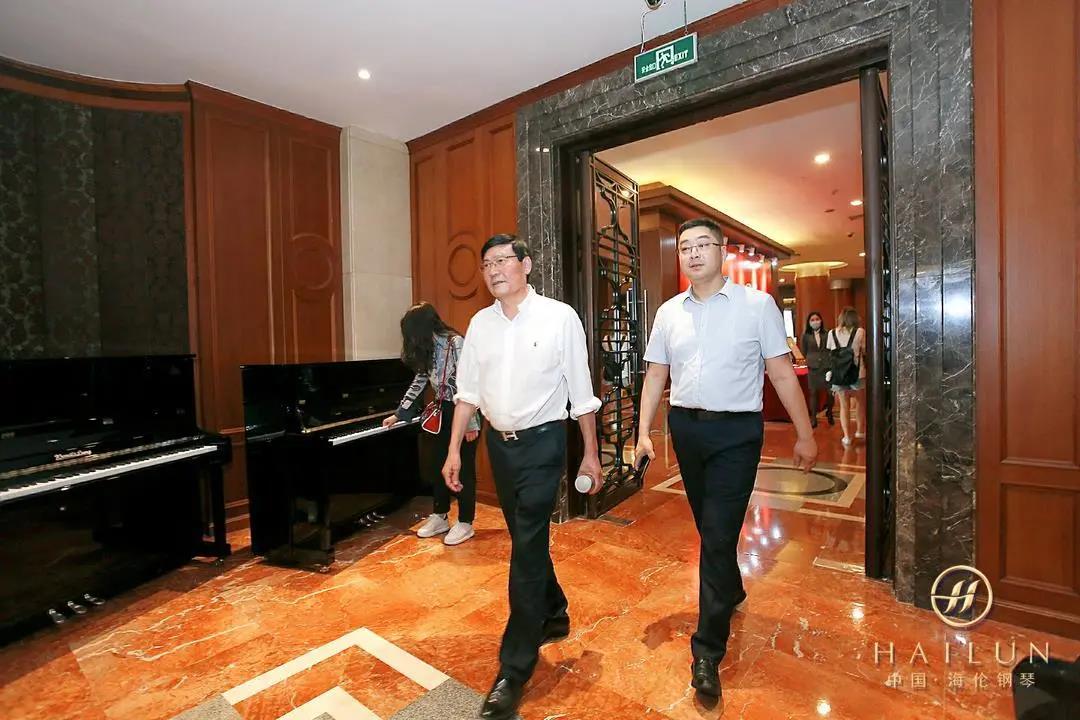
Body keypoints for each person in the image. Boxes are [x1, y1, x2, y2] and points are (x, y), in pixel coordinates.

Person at [634, 218, 817, 699]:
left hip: (737, 432)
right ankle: (731, 589)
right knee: (710, 528)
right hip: (687, 430)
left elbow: (781, 373)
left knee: (716, 536)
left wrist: (805, 434)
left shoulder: (757, 306)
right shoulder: (669, 312)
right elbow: (655, 375)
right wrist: (643, 433)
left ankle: (707, 650)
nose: (693, 253)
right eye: (685, 247)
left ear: (722, 250)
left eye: (703, 245)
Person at [442, 234, 602, 720]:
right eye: (486, 264)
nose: (493, 270)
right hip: (499, 445)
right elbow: (467, 394)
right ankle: (554, 612)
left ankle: (513, 667)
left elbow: (582, 391)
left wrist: (591, 455)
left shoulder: (559, 317)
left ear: (526, 265)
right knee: (526, 540)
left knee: (527, 541)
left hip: (544, 443)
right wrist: (453, 449)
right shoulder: (480, 324)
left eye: (502, 261)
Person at [383, 302, 480, 546]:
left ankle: (465, 522)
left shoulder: (455, 343)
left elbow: (470, 384)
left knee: (463, 469)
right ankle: (440, 515)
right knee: (438, 464)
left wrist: (471, 423)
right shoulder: (428, 349)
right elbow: (420, 380)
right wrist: (400, 413)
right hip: (440, 411)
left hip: (462, 410)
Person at [826, 306, 866, 446]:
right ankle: (860, 431)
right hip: (857, 373)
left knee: (844, 406)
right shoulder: (860, 332)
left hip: (839, 374)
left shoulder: (832, 333)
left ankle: (847, 436)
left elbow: (830, 351)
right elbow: (864, 350)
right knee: (860, 403)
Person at [800, 311, 835, 428]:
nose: (815, 321)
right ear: (809, 322)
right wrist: (810, 360)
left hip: (826, 366)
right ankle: (813, 418)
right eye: (812, 320)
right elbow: (804, 351)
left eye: (817, 319)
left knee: (830, 392)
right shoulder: (806, 336)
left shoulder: (827, 333)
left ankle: (829, 412)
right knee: (813, 393)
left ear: (821, 320)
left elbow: (831, 348)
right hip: (813, 367)